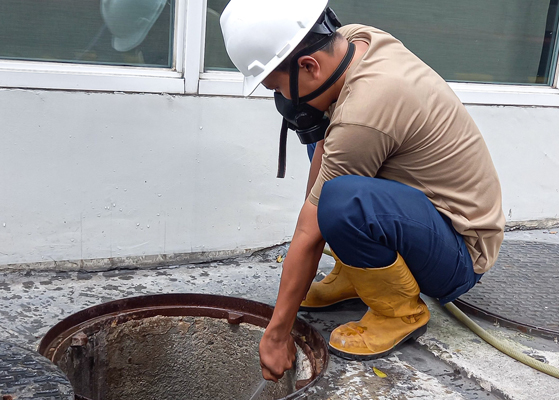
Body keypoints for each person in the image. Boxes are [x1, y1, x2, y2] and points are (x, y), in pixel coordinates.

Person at [220, 0, 505, 382]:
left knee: (341, 201)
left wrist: (277, 332)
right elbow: (320, 185)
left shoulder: (368, 109)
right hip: (422, 212)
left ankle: (400, 311)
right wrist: (315, 216)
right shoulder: (355, 40)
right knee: (324, 142)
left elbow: (313, 224)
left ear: (308, 65)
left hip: (459, 252)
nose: (284, 102)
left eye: (277, 87)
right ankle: (358, 273)